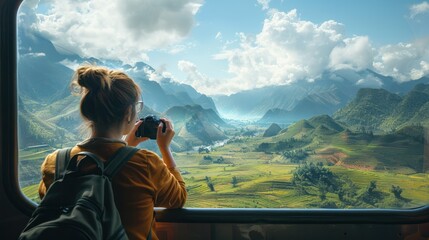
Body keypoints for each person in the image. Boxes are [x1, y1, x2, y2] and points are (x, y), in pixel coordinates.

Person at [38, 65, 187, 240]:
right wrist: (165, 148)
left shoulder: (55, 161)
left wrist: (127, 146)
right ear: (129, 112)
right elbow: (178, 198)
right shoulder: (146, 163)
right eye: (137, 107)